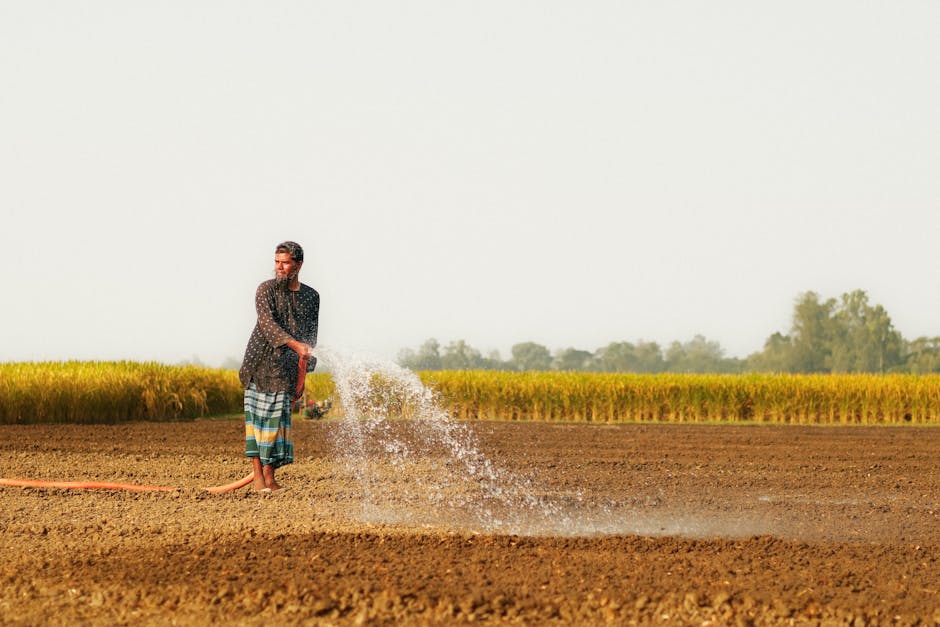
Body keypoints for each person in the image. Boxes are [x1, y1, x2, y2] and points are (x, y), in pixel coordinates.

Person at [239, 241, 319, 492]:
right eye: (277, 262)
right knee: (257, 424)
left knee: (276, 426)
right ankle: (258, 479)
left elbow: (310, 335)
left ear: (298, 264)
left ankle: (270, 478)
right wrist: (295, 345)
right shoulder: (266, 290)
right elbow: (267, 325)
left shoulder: (311, 296)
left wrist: (303, 368)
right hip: (259, 363)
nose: (280, 267)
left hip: (286, 369)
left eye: (285, 263)